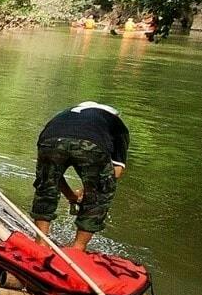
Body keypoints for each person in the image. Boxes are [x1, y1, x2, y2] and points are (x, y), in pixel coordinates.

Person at [32, 101, 130, 251]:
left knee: (45, 185)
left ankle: (40, 242)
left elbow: (52, 178)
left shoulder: (65, 114)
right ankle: (77, 249)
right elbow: (116, 171)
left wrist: (72, 196)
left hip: (51, 140)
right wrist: (89, 191)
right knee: (100, 194)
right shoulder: (116, 123)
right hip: (92, 145)